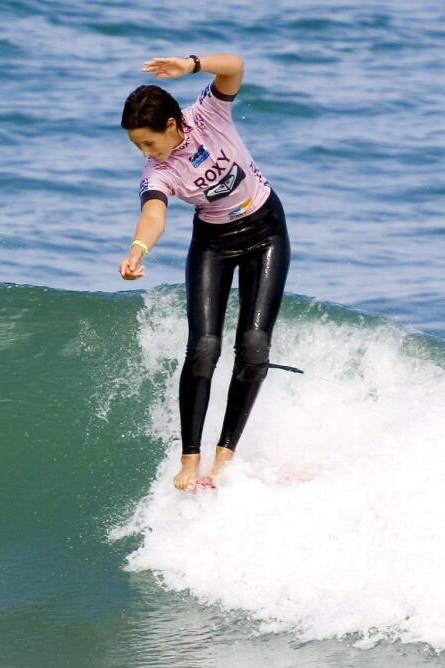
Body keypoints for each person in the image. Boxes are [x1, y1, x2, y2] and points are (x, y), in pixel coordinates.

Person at [118, 53, 290, 491]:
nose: (145, 153)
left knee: (253, 345)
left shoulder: (207, 114)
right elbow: (154, 214)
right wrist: (139, 248)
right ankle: (190, 460)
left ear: (173, 126)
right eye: (137, 146)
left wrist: (192, 64)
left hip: (266, 230)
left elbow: (234, 66)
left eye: (148, 143)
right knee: (204, 348)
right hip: (213, 244)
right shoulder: (157, 172)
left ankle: (225, 456)